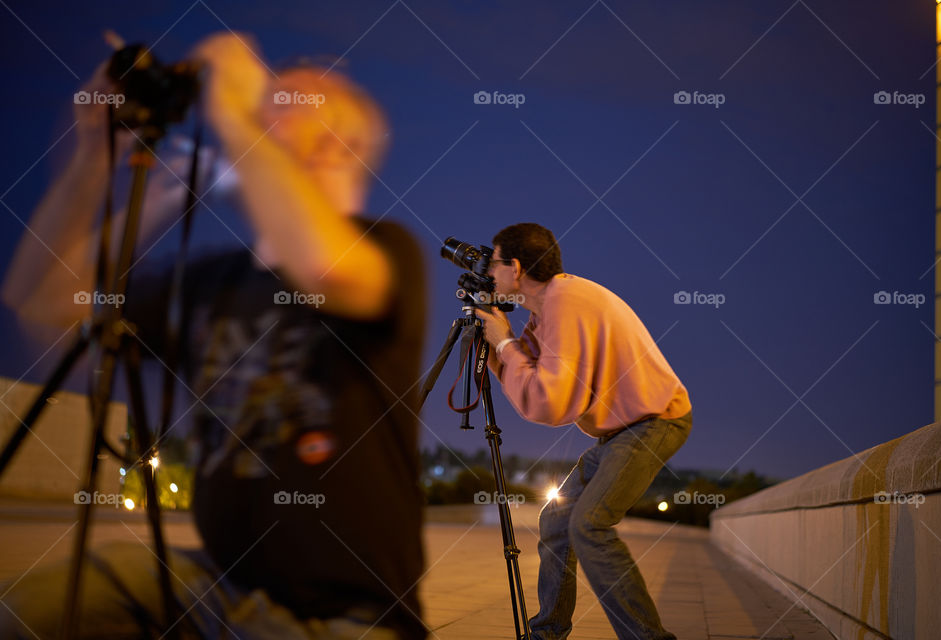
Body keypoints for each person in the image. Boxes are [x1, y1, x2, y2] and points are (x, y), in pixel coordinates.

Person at [0, 33, 427, 640]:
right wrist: (94, 156)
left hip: (352, 621)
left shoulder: (387, 252)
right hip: (219, 590)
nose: (264, 105)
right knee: (24, 614)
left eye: (290, 100)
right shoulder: (211, 283)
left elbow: (324, 268)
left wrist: (233, 110)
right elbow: (44, 299)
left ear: (344, 145)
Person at [474, 223, 692, 640]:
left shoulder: (566, 302)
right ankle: (548, 634)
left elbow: (552, 403)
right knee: (557, 519)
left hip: (655, 422)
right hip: (620, 433)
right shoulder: (547, 312)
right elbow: (532, 386)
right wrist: (497, 347)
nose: (489, 272)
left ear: (515, 268)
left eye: (494, 262)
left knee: (588, 525)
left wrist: (503, 344)